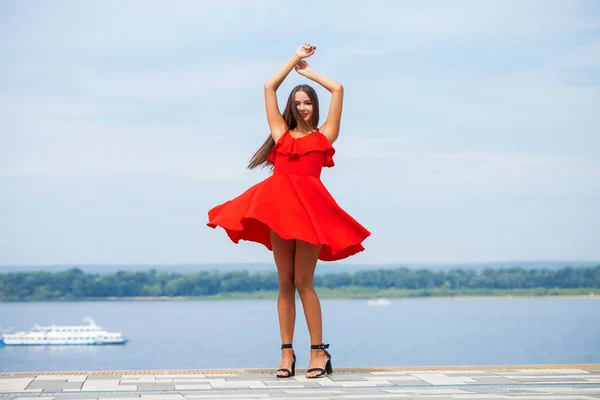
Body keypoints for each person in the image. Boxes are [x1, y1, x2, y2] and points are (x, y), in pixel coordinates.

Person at [207, 43, 370, 379]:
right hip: (279, 210)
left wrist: (308, 74)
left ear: (314, 105)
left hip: (310, 212)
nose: (303, 107)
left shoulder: (325, 136)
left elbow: (338, 88)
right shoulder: (281, 135)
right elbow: (268, 87)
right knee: (284, 281)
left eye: (308, 102)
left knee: (303, 282)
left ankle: (317, 353)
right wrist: (294, 58)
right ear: (290, 108)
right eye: (297, 103)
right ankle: (286, 355)